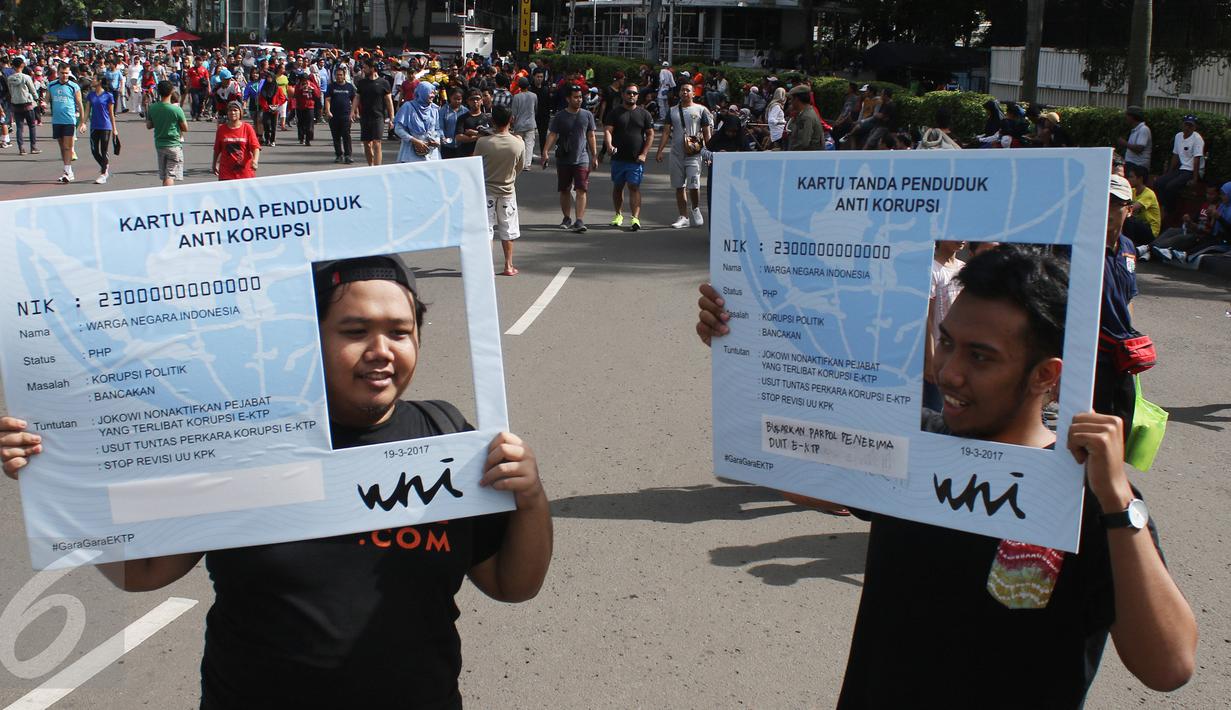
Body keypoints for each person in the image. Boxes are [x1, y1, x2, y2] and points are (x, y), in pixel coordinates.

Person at [1, 255, 553, 709]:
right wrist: (62, 481)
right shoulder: (241, 443)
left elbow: (512, 583)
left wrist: (529, 498)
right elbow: (144, 572)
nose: (381, 351)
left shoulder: (446, 435)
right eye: (355, 331)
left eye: (400, 332)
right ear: (306, 339)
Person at [695, 245, 1197, 707]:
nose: (950, 372)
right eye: (947, 343)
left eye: (980, 356)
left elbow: (1168, 666)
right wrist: (741, 338)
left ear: (1046, 374)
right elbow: (793, 474)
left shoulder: (1091, 498)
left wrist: (1116, 502)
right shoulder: (914, 443)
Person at [1095, 174, 1145, 439]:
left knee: (1122, 425)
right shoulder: (1081, 247)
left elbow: (1129, 298)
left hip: (1122, 354)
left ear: (1128, 209)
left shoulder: (1128, 248)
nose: (1109, 209)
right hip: (1093, 355)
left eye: (1116, 203)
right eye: (1104, 201)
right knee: (1094, 431)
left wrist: (1132, 340)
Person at [541, 84, 598, 233]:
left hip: (582, 158)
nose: (579, 100)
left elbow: (591, 135)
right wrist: (545, 151)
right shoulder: (560, 116)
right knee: (565, 190)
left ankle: (579, 220)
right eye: (576, 97)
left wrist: (594, 156)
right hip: (564, 158)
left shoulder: (587, 115)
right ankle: (566, 218)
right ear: (568, 99)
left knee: (581, 190)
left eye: (581, 97)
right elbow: (552, 134)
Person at [475, 106, 525, 275]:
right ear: (511, 119)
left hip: (486, 190)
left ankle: (486, 266)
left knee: (486, 229)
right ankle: (508, 265)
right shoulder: (518, 143)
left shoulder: (483, 143)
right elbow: (520, 166)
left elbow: (475, 164)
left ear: (493, 121)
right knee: (508, 229)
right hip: (507, 191)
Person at [656, 83, 712, 229]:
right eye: (682, 90)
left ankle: (695, 208)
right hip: (676, 153)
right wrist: (660, 150)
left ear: (694, 93)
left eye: (688, 90)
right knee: (679, 186)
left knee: (694, 185)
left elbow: (707, 133)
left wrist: (709, 152)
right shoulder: (673, 110)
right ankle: (683, 216)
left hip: (694, 153)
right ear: (679, 93)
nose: (685, 92)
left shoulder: (701, 110)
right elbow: (667, 132)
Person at [603, 82, 655, 231]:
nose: (631, 95)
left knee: (634, 186)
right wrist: (609, 146)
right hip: (618, 158)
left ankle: (635, 219)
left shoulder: (644, 114)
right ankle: (618, 215)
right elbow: (608, 131)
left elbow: (650, 134)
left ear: (638, 96)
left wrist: (644, 153)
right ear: (623, 94)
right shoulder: (615, 112)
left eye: (634, 93)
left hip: (636, 159)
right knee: (618, 187)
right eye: (629, 93)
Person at [1153, 115, 1204, 213]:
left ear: (1194, 127)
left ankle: (1170, 211)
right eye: (1186, 125)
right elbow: (1175, 155)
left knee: (1171, 186)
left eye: (1190, 126)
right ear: (1182, 125)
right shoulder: (1178, 136)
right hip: (1181, 168)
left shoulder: (1197, 139)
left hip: (1191, 170)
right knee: (1158, 182)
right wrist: (1169, 173)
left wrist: (1194, 179)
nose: (1188, 128)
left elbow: (1196, 159)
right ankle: (1161, 207)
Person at [146, 80, 188, 187]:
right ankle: (169, 199)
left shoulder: (153, 108)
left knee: (165, 174)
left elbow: (149, 125)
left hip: (160, 144)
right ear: (171, 91)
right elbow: (185, 128)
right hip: (174, 144)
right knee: (170, 175)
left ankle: (166, 197)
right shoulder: (176, 109)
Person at [353, 61, 394, 166]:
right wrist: (352, 111)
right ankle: (370, 166)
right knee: (367, 144)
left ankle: (377, 168)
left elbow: (389, 101)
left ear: (373, 68)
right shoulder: (362, 83)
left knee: (377, 142)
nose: (363, 70)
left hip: (378, 117)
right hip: (365, 117)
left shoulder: (383, 83)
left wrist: (391, 118)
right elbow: (357, 97)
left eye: (366, 67)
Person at [47, 64, 83, 183]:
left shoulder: (74, 86)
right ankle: (68, 170)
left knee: (68, 147)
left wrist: (82, 121)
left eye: (67, 73)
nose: (64, 75)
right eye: (62, 73)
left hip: (69, 120)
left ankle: (67, 172)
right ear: (58, 73)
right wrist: (42, 103)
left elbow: (80, 104)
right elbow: (47, 99)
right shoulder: (51, 85)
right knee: (62, 147)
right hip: (57, 120)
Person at [392, 81, 441, 163]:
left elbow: (437, 129)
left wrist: (437, 140)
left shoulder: (434, 109)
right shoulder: (408, 107)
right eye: (431, 93)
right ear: (422, 93)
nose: (433, 96)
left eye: (434, 93)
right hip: (411, 154)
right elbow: (398, 129)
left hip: (431, 154)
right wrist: (415, 141)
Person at [81, 76, 117, 184]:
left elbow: (111, 114)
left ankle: (103, 173)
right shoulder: (90, 95)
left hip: (106, 126)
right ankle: (104, 165)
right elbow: (87, 110)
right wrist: (83, 123)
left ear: (100, 81)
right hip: (94, 126)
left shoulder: (108, 96)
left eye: (94, 79)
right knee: (94, 151)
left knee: (104, 150)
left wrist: (115, 129)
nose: (92, 81)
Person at [212, 100, 260, 181]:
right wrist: (214, 164)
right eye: (230, 110)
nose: (232, 112)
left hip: (244, 173)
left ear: (240, 112)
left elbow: (255, 147)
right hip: (226, 172)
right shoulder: (221, 129)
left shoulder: (247, 128)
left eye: (235, 110)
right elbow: (217, 149)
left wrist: (255, 161)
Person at [323, 66, 356, 164]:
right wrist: (328, 111)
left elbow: (354, 100)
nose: (339, 77)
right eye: (337, 75)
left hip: (346, 115)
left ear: (344, 76)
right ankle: (339, 155)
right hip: (334, 116)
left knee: (346, 136)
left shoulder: (349, 87)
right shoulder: (331, 86)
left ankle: (348, 155)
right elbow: (327, 100)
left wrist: (354, 112)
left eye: (341, 75)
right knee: (336, 136)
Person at [1123, 163, 1161, 248]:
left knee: (1128, 219)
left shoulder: (1149, 194)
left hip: (1150, 232)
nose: (1128, 179)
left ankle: (1128, 247)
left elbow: (1131, 208)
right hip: (1139, 226)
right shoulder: (1132, 191)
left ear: (1140, 179)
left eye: (1131, 177)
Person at [5, 58, 38, 155]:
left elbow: (10, 91)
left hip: (16, 104)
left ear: (13, 66)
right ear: (23, 65)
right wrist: (36, 98)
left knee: (19, 127)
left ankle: (21, 148)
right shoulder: (26, 77)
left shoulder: (10, 78)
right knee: (32, 126)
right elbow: (32, 90)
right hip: (27, 103)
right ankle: (33, 147)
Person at [509, 77, 537, 169]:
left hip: (519, 124)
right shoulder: (534, 96)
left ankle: (519, 162)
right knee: (529, 144)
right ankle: (527, 164)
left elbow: (514, 112)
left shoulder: (516, 97)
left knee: (519, 144)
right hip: (530, 123)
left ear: (519, 86)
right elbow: (535, 108)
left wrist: (512, 123)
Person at [786, 85, 822, 152]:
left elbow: (803, 143)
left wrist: (787, 153)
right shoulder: (805, 113)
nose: (789, 102)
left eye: (791, 99)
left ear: (796, 99)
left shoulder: (806, 117)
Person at [1119, 106, 1152, 172]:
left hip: (1138, 166)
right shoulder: (1135, 130)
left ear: (1132, 117)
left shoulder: (1143, 129)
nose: (1126, 118)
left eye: (1127, 116)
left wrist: (1124, 143)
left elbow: (1139, 149)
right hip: (1131, 163)